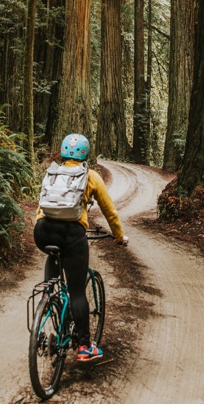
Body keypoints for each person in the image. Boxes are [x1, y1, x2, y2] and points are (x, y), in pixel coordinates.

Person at [33, 133, 129, 362]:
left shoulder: (53, 171)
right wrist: (119, 236)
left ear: (62, 151)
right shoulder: (91, 176)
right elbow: (109, 211)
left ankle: (46, 297)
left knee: (54, 253)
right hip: (72, 234)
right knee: (77, 292)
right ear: (86, 154)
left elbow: (42, 206)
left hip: (42, 231)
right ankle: (85, 346)